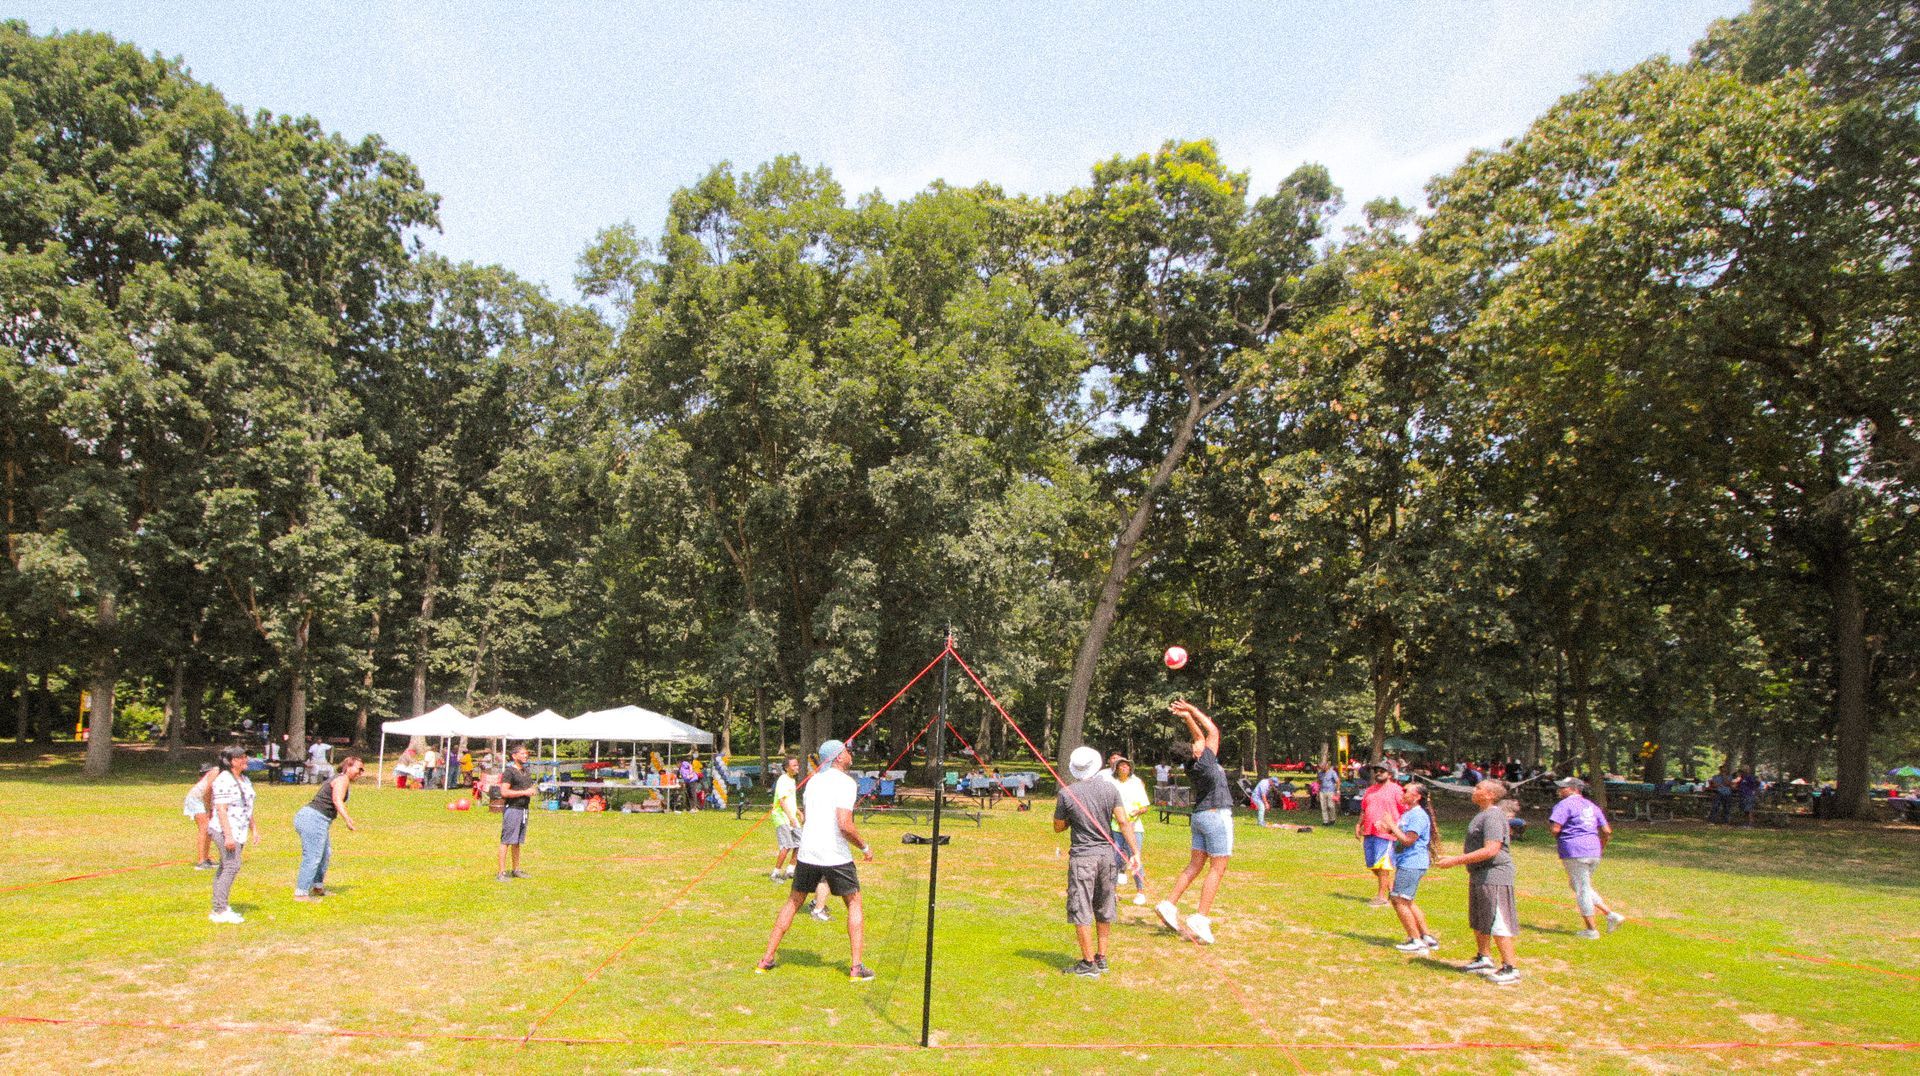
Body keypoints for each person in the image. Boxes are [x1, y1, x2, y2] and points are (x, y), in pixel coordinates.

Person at [756, 739, 876, 981]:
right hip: (835, 855)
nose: (850, 754)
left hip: (808, 852)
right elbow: (844, 825)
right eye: (846, 751)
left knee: (793, 901)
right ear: (838, 757)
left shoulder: (813, 781)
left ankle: (766, 959)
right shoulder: (846, 783)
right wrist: (864, 846)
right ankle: (856, 968)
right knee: (854, 902)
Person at [1056, 746, 1142, 976]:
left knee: (1081, 906)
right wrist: (1135, 852)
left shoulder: (1067, 793)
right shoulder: (1110, 788)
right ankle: (1101, 957)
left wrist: (1072, 819)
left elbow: (1058, 827)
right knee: (1105, 905)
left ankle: (1088, 963)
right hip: (1107, 856)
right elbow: (1124, 822)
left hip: (1083, 857)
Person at [1153, 700, 1232, 945]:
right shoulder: (1206, 762)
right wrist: (1193, 710)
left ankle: (1168, 904)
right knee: (1217, 868)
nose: (1199, 742)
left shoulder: (1193, 764)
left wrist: (1187, 717)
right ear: (1198, 752)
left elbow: (1199, 736)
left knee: (1195, 865)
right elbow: (1212, 731)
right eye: (1197, 745)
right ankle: (1201, 916)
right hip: (1215, 815)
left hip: (1199, 816)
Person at [1433, 779, 1520, 985]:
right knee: (1480, 917)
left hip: (1495, 875)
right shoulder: (1483, 814)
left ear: (1490, 794)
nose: (1474, 790)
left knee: (1498, 919)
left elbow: (1491, 849)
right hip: (1480, 874)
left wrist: (1455, 861)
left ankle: (1510, 967)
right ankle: (1483, 957)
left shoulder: (1493, 816)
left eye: (1479, 788)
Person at [1548, 777, 1624, 938]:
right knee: (1579, 885)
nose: (1560, 790)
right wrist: (1601, 846)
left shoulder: (1564, 804)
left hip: (1574, 850)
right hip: (1593, 850)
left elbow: (1555, 828)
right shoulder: (1592, 806)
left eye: (1564, 787)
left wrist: (1564, 839)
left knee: (1581, 889)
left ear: (1574, 789)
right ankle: (1610, 914)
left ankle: (1591, 930)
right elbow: (1607, 831)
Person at [294, 756, 363, 900]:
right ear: (348, 767)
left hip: (317, 819)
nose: (361, 772)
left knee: (324, 854)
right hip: (313, 818)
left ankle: (317, 887)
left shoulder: (341, 779)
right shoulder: (342, 779)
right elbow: (337, 800)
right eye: (359, 769)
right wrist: (347, 819)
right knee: (313, 856)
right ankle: (301, 894)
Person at [207, 745, 258, 924]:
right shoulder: (224, 779)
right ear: (231, 761)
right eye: (241, 757)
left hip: (239, 829)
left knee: (226, 867)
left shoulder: (244, 779)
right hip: (225, 829)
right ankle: (220, 910)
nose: (246, 760)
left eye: (245, 756)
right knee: (232, 866)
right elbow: (221, 809)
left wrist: (254, 829)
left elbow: (247, 805)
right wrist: (228, 836)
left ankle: (220, 906)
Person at [1390, 782, 1440, 952]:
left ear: (1417, 796)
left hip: (1412, 862)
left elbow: (1408, 840)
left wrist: (1391, 825)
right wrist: (1390, 830)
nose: (1402, 793)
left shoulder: (1418, 815)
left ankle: (1415, 940)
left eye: (1406, 791)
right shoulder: (1408, 813)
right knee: (1407, 900)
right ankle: (1426, 936)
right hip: (1407, 861)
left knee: (1399, 900)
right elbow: (1403, 835)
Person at [1358, 764, 1406, 907]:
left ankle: (1381, 897)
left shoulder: (1397, 790)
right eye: (1376, 771)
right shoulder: (1370, 790)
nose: (1378, 773)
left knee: (1383, 864)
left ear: (1390, 774)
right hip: (1369, 832)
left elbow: (1405, 810)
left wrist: (1396, 828)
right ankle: (1392, 890)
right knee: (1373, 865)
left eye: (1382, 771)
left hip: (1386, 834)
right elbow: (1364, 809)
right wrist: (1358, 824)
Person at [1108, 757, 1151, 905]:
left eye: (1127, 766)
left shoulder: (1136, 783)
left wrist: (1136, 812)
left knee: (1135, 858)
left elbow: (1145, 806)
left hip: (1134, 828)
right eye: (1121, 766)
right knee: (1115, 859)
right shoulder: (1112, 783)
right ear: (1116, 769)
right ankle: (1112, 892)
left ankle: (1140, 892)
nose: (1124, 768)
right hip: (1115, 827)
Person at [496, 743, 536, 880]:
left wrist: (531, 791)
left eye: (526, 754)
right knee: (506, 840)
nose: (526, 756)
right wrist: (524, 792)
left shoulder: (525, 771)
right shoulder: (509, 772)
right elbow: (504, 792)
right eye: (522, 753)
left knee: (517, 841)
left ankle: (516, 869)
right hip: (512, 809)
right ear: (514, 756)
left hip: (523, 809)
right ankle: (501, 872)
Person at [769, 757, 803, 881]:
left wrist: (798, 812)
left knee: (800, 843)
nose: (797, 767)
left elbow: (790, 800)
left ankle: (790, 870)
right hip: (781, 817)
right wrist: (790, 818)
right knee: (786, 845)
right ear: (786, 767)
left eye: (797, 765)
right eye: (794, 765)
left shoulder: (791, 780)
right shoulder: (783, 780)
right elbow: (781, 801)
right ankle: (775, 873)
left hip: (791, 816)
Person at [183, 763, 219, 870]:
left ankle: (206, 858)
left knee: (209, 829)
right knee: (204, 828)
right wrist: (209, 808)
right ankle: (201, 861)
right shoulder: (216, 771)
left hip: (206, 801)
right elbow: (208, 791)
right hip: (197, 799)